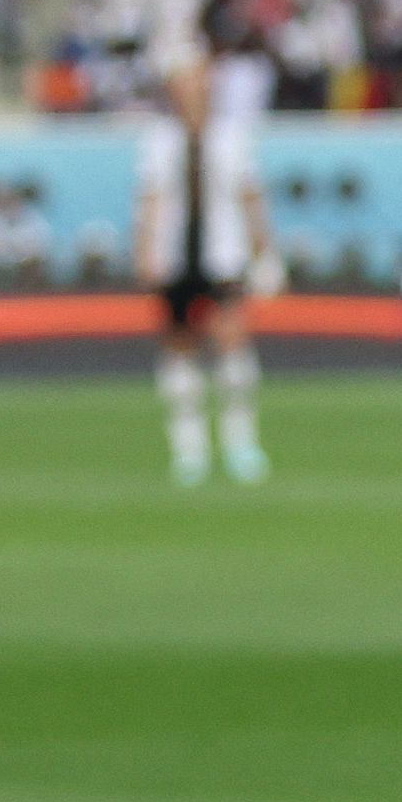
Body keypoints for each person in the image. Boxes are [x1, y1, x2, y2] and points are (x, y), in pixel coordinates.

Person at [131, 47, 275, 485]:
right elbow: (151, 199)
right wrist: (146, 250)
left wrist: (263, 251)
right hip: (177, 255)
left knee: (232, 341)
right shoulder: (159, 139)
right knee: (180, 348)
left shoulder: (231, 137)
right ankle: (188, 447)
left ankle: (239, 441)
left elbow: (250, 196)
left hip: (223, 253)